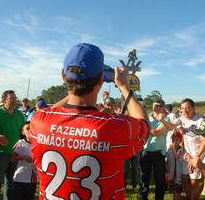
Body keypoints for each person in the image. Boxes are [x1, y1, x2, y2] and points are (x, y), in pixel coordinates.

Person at [30, 43, 150, 200]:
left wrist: (73, 87)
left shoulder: (39, 120)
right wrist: (124, 88)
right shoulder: (116, 127)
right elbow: (144, 124)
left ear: (63, 75)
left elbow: (51, 112)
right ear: (101, 79)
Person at [158, 98, 205, 200]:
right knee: (184, 179)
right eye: (183, 108)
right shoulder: (181, 118)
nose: (185, 111)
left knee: (194, 182)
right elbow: (171, 126)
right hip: (186, 155)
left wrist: (196, 158)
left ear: (193, 108)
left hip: (197, 156)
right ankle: (189, 197)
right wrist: (162, 120)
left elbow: (204, 142)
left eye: (188, 108)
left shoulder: (201, 120)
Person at [0, 90, 25, 200]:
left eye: (15, 98)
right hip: (0, 153)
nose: (14, 100)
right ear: (4, 100)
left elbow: (23, 131)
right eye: (11, 98)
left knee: (11, 182)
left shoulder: (19, 114)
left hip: (14, 154)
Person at [139, 99, 170, 200]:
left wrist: (146, 125)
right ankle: (143, 198)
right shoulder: (146, 117)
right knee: (144, 179)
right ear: (152, 107)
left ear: (163, 108)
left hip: (159, 154)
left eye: (160, 106)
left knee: (159, 180)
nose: (157, 107)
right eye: (156, 105)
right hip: (146, 152)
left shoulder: (166, 120)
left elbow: (156, 133)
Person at [11, 122, 38, 200]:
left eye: (31, 128)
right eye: (27, 129)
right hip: (20, 178)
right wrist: (23, 157)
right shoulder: (20, 143)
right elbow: (12, 158)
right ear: (23, 132)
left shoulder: (38, 144)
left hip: (32, 179)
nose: (30, 130)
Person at [166, 129, 183, 200]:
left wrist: (173, 149)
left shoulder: (180, 149)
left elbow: (177, 157)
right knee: (173, 188)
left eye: (176, 140)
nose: (174, 142)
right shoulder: (169, 149)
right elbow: (166, 158)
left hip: (178, 172)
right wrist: (166, 165)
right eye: (173, 139)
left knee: (177, 189)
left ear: (180, 141)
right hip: (171, 172)